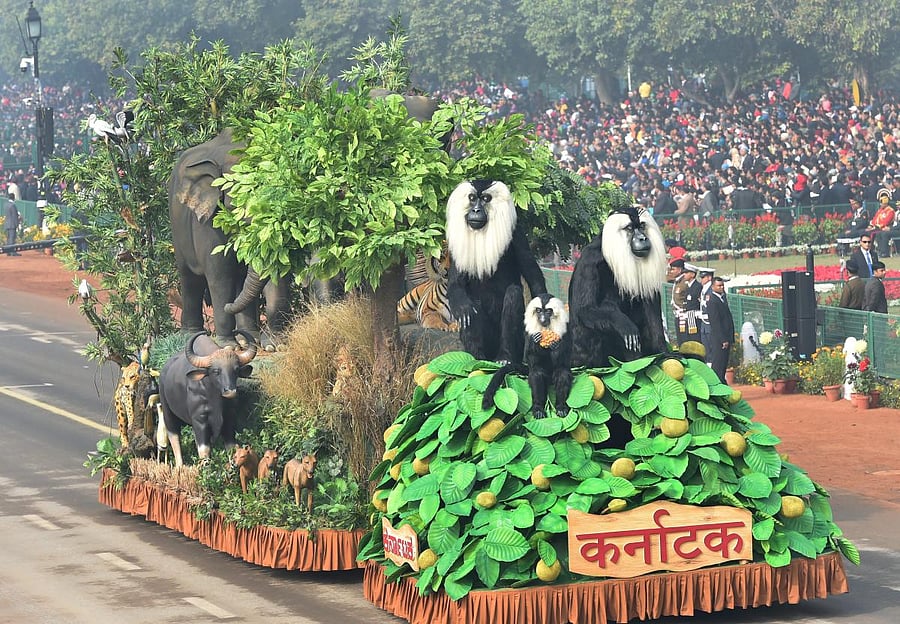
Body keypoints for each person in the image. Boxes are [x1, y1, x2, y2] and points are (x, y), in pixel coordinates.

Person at [706, 276, 735, 383]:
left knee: (723, 364)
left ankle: (722, 383)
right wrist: (723, 339)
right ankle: (717, 385)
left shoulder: (722, 297)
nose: (721, 287)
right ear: (713, 287)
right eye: (719, 285)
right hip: (719, 339)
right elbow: (715, 323)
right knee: (718, 364)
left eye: (722, 285)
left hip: (726, 336)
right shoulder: (712, 300)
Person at [697, 268, 715, 356]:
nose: (701, 279)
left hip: (709, 322)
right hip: (704, 323)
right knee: (706, 348)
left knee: (711, 347)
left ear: (709, 277)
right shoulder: (704, 289)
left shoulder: (711, 289)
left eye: (703, 277)